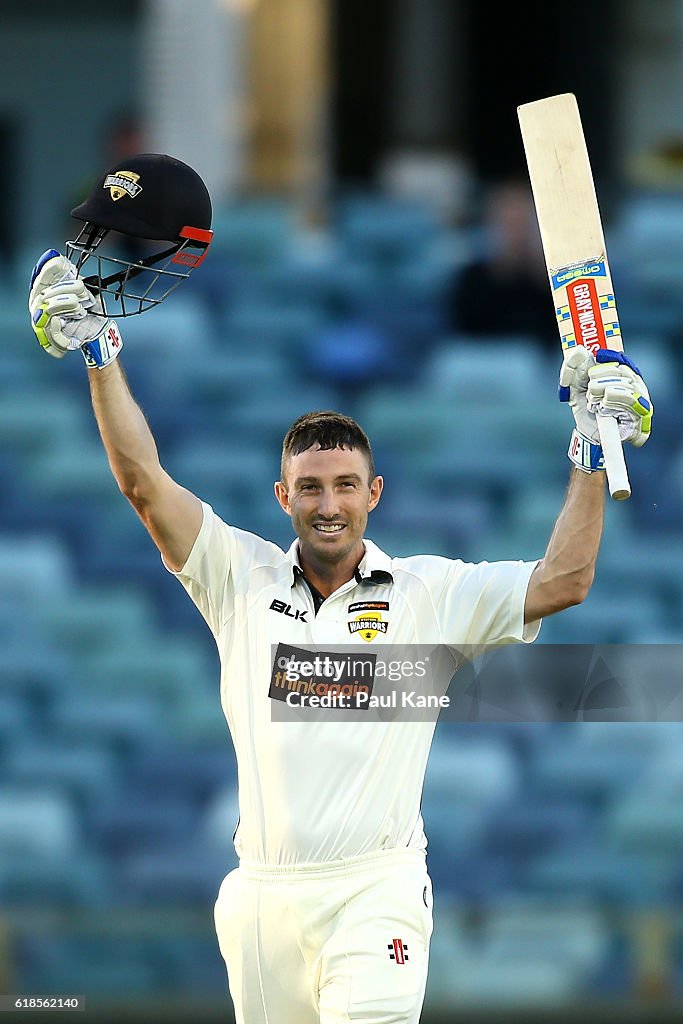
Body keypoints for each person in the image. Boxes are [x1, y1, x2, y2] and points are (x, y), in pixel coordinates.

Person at [27, 157, 653, 1024]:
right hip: (260, 898)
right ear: (283, 498)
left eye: (345, 487)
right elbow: (143, 482)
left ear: (374, 494)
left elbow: (565, 581)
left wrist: (589, 454)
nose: (328, 506)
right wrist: (98, 354)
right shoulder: (236, 574)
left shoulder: (429, 592)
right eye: (310, 489)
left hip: (378, 888)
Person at [444, 177, 559, 351]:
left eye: (521, 224)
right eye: (507, 223)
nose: (515, 233)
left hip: (532, 357)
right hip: (477, 352)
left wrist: (540, 278)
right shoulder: (471, 276)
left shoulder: (552, 280)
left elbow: (551, 334)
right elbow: (462, 326)